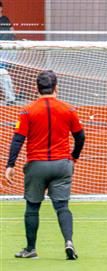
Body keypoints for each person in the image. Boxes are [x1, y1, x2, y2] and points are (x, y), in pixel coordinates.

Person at [5, 70, 85, 260]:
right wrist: (73, 157)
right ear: (57, 87)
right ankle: (69, 242)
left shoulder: (27, 110)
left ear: (36, 88)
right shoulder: (69, 109)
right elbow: (80, 136)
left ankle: (31, 249)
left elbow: (18, 139)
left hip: (37, 165)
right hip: (61, 164)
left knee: (32, 207)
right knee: (62, 206)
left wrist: (10, 165)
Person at [0, 1, 15, 105]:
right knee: (3, 74)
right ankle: (11, 98)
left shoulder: (5, 19)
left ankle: (10, 98)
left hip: (4, 52)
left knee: (3, 73)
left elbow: (13, 31)